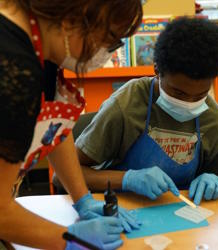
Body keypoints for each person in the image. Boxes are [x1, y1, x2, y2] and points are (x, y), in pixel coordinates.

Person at [0, 0, 142, 249]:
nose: (108, 53)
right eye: (110, 39)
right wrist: (70, 240)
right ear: (72, 18)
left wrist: (83, 199)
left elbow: (54, 127)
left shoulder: (44, 45)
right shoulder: (13, 67)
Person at [74, 17, 218, 205]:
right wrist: (127, 179)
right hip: (124, 210)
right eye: (178, 92)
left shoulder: (216, 122)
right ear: (157, 69)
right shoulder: (126, 105)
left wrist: (215, 183)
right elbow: (64, 176)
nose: (188, 102)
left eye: (200, 95)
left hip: (184, 218)